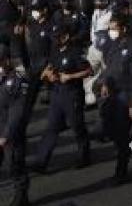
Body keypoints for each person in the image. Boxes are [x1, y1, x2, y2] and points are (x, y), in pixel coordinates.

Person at [31, 25, 92, 172]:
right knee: (51, 127)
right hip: (57, 94)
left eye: (58, 37)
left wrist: (70, 76)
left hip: (72, 94)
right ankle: (41, 161)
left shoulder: (75, 53)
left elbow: (89, 70)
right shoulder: (55, 51)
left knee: (77, 126)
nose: (55, 40)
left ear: (65, 37)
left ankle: (84, 155)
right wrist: (48, 74)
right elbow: (51, 66)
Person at [100, 14, 132, 184]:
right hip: (113, 93)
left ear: (124, 28)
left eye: (114, 28)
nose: (111, 31)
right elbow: (108, 67)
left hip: (127, 94)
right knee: (114, 130)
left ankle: (121, 172)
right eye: (110, 28)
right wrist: (105, 82)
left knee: (122, 135)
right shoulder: (111, 45)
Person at [0, 44, 30, 206]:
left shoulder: (17, 80)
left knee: (14, 164)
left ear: (6, 61)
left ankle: (21, 197)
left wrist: (6, 135)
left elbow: (17, 113)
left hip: (10, 131)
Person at [84, 0, 112, 106]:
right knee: (88, 72)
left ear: (106, 0)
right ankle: (90, 95)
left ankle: (106, 99)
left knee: (107, 75)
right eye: (96, 0)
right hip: (94, 47)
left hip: (106, 50)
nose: (98, 2)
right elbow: (93, 28)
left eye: (100, 0)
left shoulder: (112, 14)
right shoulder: (95, 12)